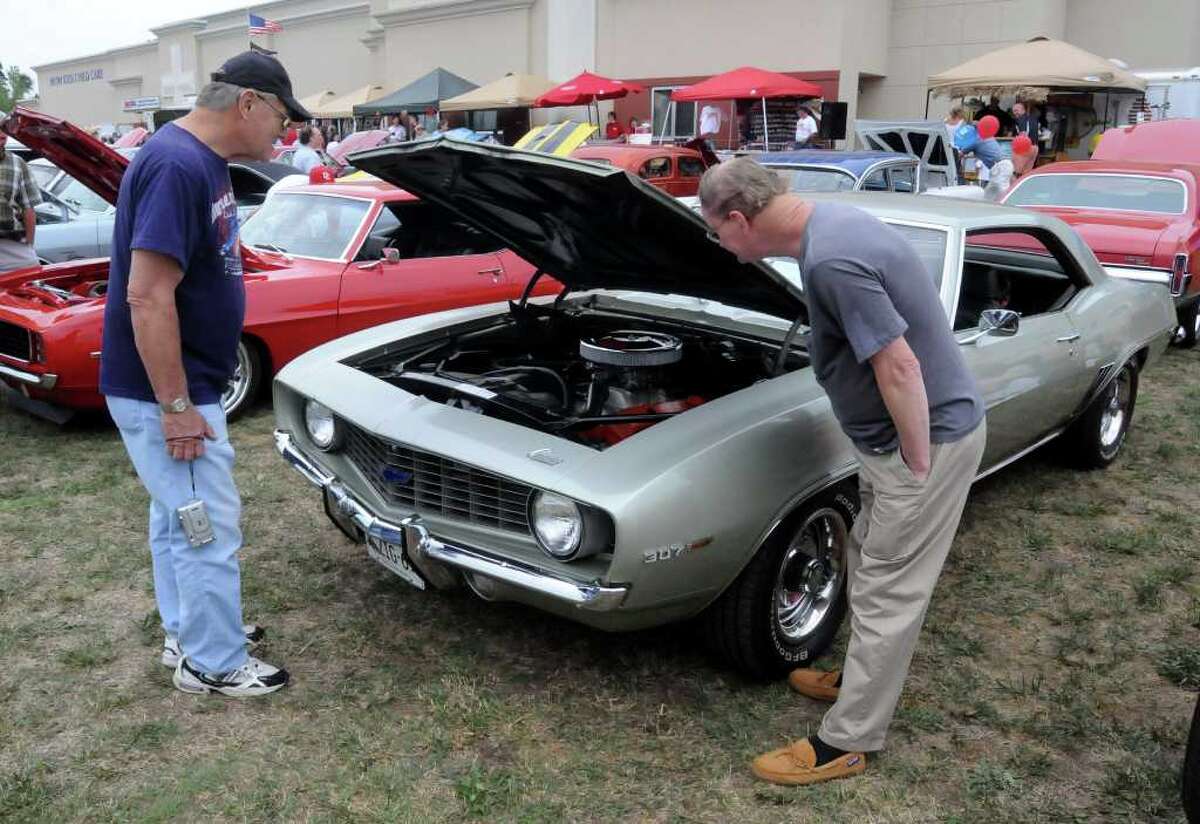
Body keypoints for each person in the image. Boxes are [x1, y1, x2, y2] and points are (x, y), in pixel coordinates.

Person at [698, 157, 986, 786]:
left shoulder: (831, 259)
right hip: (896, 443)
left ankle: (848, 739)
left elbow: (900, 366)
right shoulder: (828, 227)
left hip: (924, 443)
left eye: (717, 232)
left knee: (889, 590)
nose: (721, 245)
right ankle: (860, 680)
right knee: (868, 552)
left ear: (740, 219)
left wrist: (915, 462)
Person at [99, 50, 312, 698]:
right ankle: (213, 663)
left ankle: (188, 633)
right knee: (205, 524)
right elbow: (146, 296)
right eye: (282, 118)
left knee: (176, 519)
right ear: (247, 102)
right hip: (170, 393)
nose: (285, 134)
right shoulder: (176, 164)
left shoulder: (202, 160)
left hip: (183, 386)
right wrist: (176, 407)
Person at [0, 127, 42, 273]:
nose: (2, 134)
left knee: (31, 275)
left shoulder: (17, 163)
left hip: (10, 245)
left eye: (4, 129)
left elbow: (28, 208)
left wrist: (29, 246)